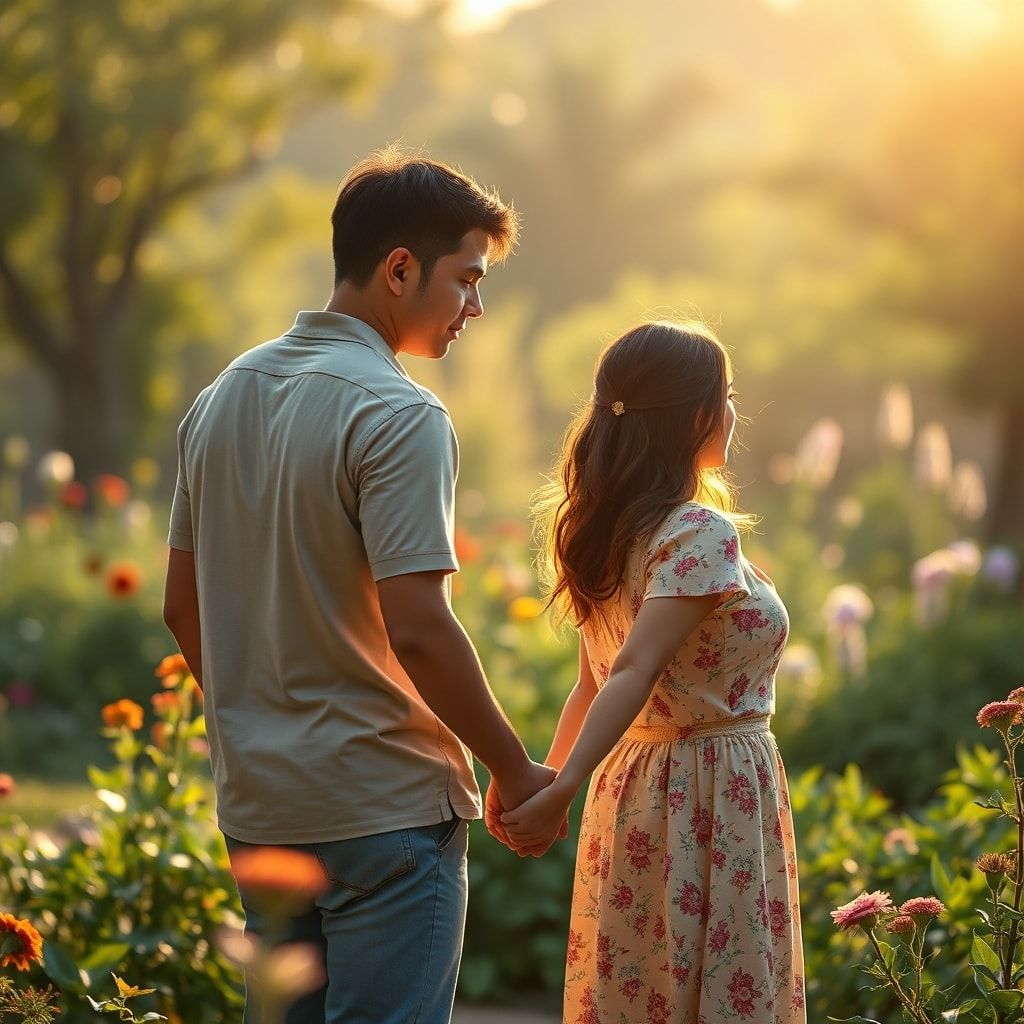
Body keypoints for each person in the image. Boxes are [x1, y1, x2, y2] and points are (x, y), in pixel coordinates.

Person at [162, 148, 555, 1024]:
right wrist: (514, 769)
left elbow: (180, 609)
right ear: (400, 269)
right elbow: (417, 627)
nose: (475, 308)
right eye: (466, 280)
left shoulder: (218, 399)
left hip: (262, 813)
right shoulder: (399, 412)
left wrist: (266, 732)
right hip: (386, 815)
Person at [497, 321, 806, 1022]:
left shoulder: (605, 525)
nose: (734, 412)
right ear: (694, 414)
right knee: (712, 985)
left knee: (642, 985)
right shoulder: (698, 531)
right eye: (726, 396)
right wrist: (557, 788)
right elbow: (627, 669)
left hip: (634, 791)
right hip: (710, 787)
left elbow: (593, 681)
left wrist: (547, 782)